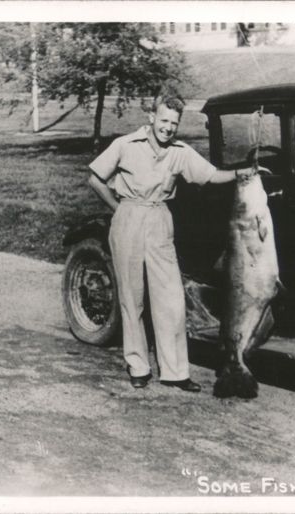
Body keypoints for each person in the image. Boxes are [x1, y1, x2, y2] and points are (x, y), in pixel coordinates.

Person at [88, 94, 258, 392]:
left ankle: (176, 372)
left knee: (171, 299)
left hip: (160, 220)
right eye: (164, 120)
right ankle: (138, 366)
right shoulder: (126, 145)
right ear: (151, 117)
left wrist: (239, 174)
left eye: (174, 123)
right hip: (128, 216)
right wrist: (118, 208)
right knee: (132, 298)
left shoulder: (180, 151)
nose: (168, 127)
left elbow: (210, 175)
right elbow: (95, 178)